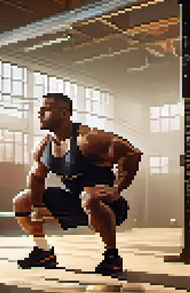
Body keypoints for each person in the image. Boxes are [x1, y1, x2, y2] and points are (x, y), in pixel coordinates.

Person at [13, 93, 142, 275]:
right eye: (40, 110)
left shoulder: (88, 139)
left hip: (107, 206)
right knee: (21, 201)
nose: (40, 113)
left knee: (89, 195)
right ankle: (43, 252)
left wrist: (117, 188)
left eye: (47, 109)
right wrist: (36, 207)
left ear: (65, 113)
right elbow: (36, 177)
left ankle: (112, 256)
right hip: (74, 202)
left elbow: (132, 153)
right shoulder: (45, 146)